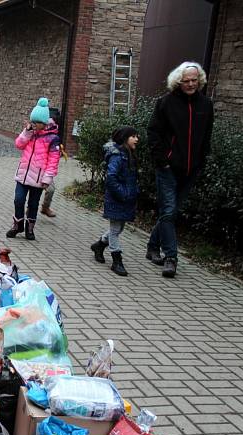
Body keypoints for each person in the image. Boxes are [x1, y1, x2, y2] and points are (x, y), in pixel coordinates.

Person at [146, 61, 214, 278]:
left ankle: (152, 246)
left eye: (195, 80)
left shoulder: (206, 105)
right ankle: (171, 258)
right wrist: (163, 160)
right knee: (168, 211)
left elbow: (206, 137)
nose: (191, 84)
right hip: (168, 168)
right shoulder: (165, 103)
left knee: (172, 212)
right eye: (187, 81)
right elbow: (153, 133)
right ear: (179, 81)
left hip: (191, 169)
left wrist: (201, 161)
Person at [7, 98, 61, 240]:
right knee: (18, 200)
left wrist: (47, 178)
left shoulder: (53, 138)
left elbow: (53, 161)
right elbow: (19, 144)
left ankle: (29, 229)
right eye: (33, 122)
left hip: (38, 178)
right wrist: (26, 132)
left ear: (43, 123)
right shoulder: (30, 133)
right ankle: (17, 225)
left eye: (36, 122)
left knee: (33, 204)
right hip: (23, 175)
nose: (34, 125)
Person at [91, 127, 140, 276]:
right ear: (124, 138)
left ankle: (99, 245)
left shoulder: (128, 154)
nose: (137, 139)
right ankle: (116, 260)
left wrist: (133, 191)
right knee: (115, 230)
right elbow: (111, 178)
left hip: (126, 198)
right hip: (117, 198)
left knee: (119, 229)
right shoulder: (117, 156)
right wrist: (122, 193)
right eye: (133, 136)